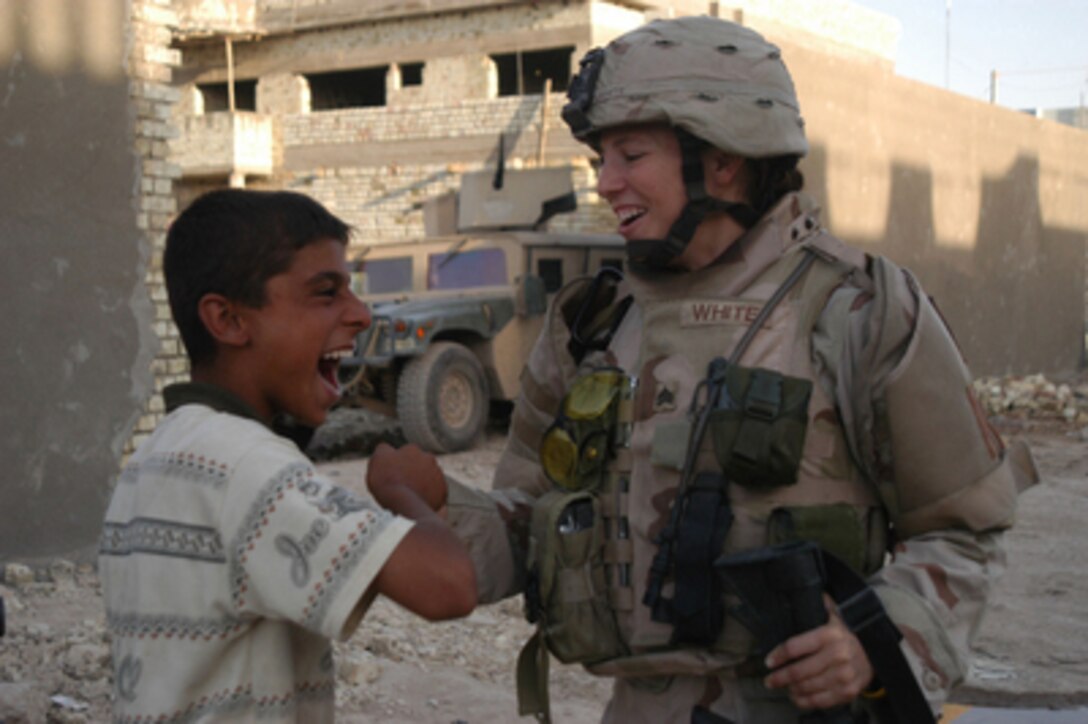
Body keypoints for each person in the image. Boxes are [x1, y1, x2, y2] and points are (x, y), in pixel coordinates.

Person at [442, 16, 1035, 724]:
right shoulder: (590, 324)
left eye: (631, 154)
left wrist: (878, 638)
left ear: (723, 161)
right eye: (602, 158)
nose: (605, 182)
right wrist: (417, 520)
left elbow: (964, 529)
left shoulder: (859, 312)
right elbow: (531, 524)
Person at [99, 189, 476, 722]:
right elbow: (449, 585)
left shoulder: (154, 458)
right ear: (228, 320)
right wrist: (404, 492)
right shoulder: (247, 467)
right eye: (326, 293)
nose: (362, 315)